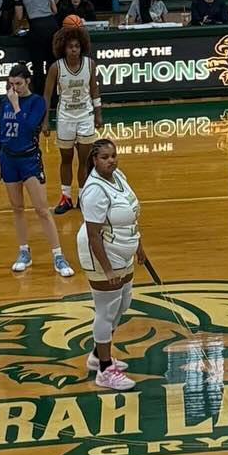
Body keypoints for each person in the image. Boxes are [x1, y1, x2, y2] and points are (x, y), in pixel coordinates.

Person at [76, 139, 148, 390]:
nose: (111, 160)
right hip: (102, 255)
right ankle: (105, 371)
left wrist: (139, 247)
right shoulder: (94, 190)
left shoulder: (119, 176)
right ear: (94, 160)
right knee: (106, 310)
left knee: (123, 302)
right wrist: (106, 269)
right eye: (105, 157)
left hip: (123, 251)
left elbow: (130, 216)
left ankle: (98, 355)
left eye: (113, 155)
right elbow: (94, 234)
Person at [0, 65, 74, 278]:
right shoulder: (4, 102)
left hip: (29, 160)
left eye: (18, 83)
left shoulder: (37, 102)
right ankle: (24, 252)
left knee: (42, 210)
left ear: (27, 81)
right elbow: (2, 131)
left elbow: (28, 129)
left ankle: (58, 256)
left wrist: (17, 105)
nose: (14, 88)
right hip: (9, 160)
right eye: (11, 84)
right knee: (17, 208)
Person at [45, 24, 103, 217]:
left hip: (85, 116)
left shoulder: (90, 64)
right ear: (63, 48)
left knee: (85, 161)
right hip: (65, 118)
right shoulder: (56, 67)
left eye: (77, 46)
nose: (73, 49)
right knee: (66, 159)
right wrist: (45, 121)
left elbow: (94, 89)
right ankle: (65, 197)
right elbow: (47, 96)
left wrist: (98, 113)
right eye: (70, 46)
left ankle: (83, 198)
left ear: (82, 47)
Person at [12, 0, 58, 95]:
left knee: (37, 66)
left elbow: (19, 16)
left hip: (37, 29)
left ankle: (39, 97)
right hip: (53, 27)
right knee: (52, 64)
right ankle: (53, 97)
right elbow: (54, 10)